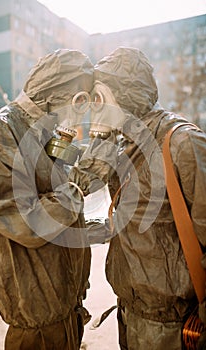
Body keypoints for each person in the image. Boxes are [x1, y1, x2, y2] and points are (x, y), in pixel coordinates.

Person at [69, 47, 206, 349]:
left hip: (173, 324)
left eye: (100, 98)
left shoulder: (182, 142)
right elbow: (81, 183)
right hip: (130, 313)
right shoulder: (124, 146)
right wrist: (101, 137)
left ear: (125, 95)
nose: (95, 107)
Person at [0, 48, 94, 350]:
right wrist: (76, 191)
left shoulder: (43, 131)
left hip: (66, 305)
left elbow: (66, 173)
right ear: (55, 90)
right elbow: (25, 223)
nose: (81, 109)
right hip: (37, 320)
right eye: (79, 99)